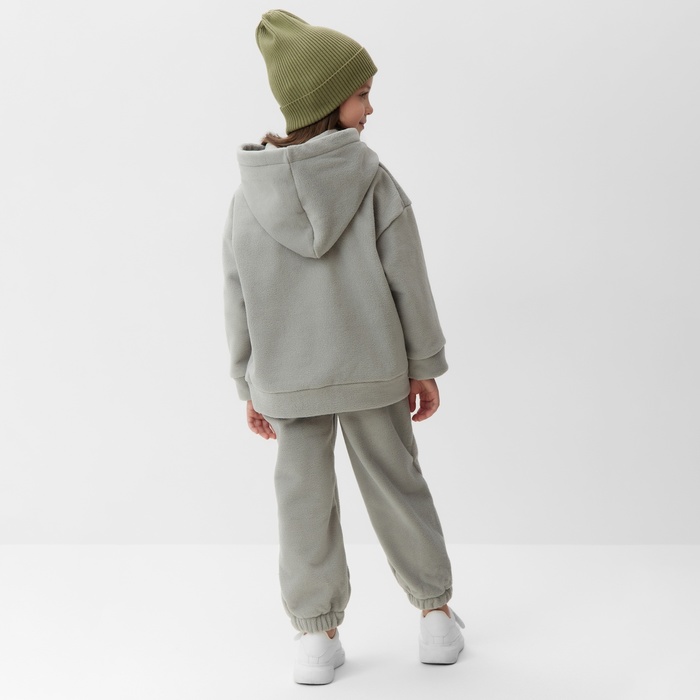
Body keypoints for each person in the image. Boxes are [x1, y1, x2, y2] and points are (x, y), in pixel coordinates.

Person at [222, 9, 464, 685]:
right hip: (373, 370)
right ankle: (435, 617)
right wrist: (424, 364)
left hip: (288, 379)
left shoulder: (247, 198)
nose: (371, 107)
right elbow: (408, 279)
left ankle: (315, 636)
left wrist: (247, 382)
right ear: (329, 103)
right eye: (362, 94)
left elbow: (237, 297)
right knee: (397, 484)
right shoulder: (373, 181)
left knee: (302, 502)